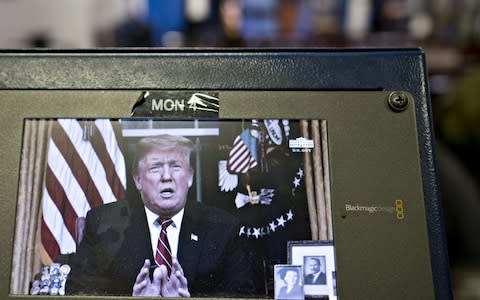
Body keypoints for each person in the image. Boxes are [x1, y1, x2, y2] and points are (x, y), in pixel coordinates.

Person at [66, 134, 256, 297]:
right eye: (155, 167)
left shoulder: (222, 227)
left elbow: (243, 296)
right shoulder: (103, 223)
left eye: (175, 166)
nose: (167, 176)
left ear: (189, 177)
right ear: (138, 180)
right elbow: (77, 293)